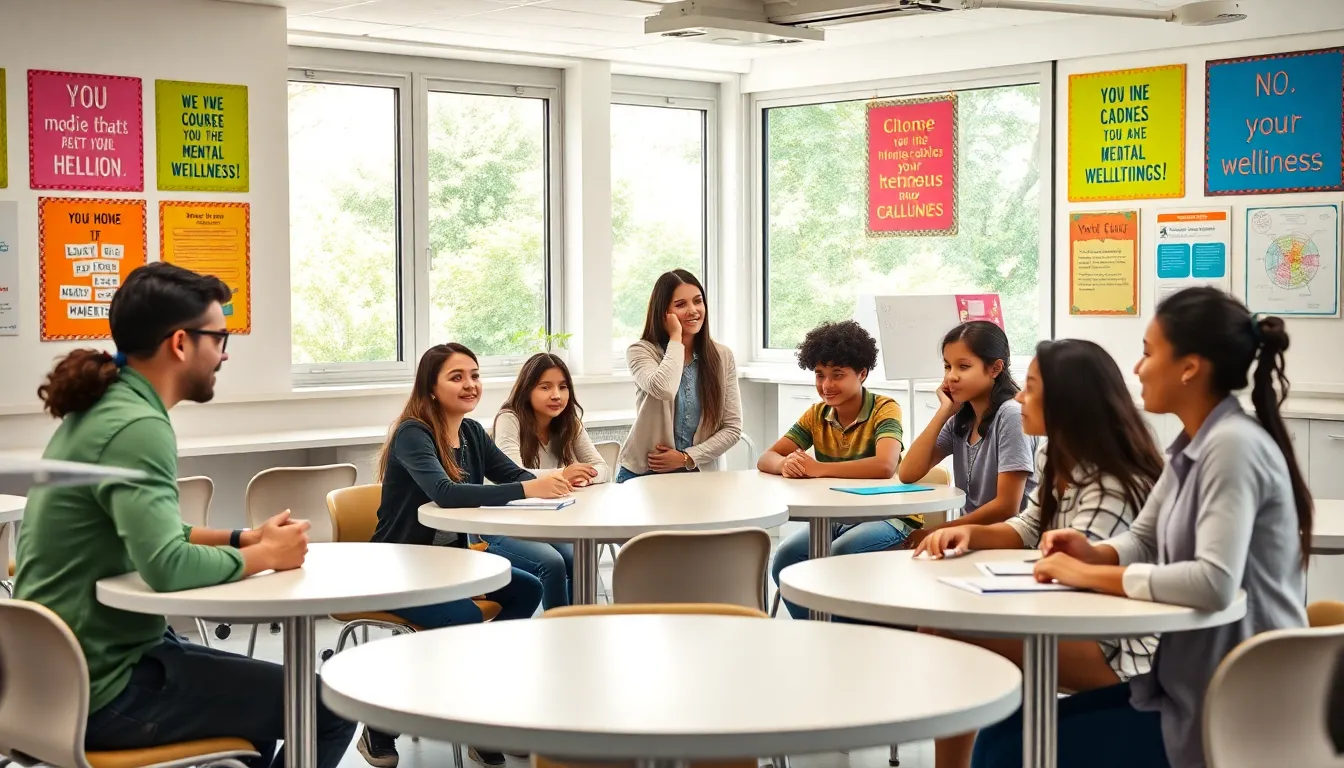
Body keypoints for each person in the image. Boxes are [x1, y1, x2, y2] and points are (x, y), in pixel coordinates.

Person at [14, 263, 355, 768]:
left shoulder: (105, 408)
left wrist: (243, 538)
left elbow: (155, 530)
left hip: (47, 685)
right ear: (180, 343)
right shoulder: (137, 426)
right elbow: (165, 565)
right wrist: (265, 556)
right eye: (219, 337)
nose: (224, 352)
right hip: (104, 691)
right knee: (329, 705)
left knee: (260, 722)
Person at [972, 287, 1313, 768]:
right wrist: (1097, 554)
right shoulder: (1195, 444)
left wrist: (1088, 575)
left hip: (1232, 708)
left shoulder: (1233, 447)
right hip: (1185, 688)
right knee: (1003, 736)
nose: (1137, 368)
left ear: (1190, 368)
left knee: (1007, 749)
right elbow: (1144, 539)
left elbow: (1214, 583)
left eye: (1149, 353)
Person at [914, 339, 1164, 768]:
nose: (1019, 398)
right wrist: (970, 535)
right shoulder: (1055, 451)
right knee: (943, 629)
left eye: (1029, 387)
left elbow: (1077, 585)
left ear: (1067, 401)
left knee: (948, 632)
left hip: (1120, 650)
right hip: (1077, 627)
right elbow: (1030, 527)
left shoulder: (1110, 485)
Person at [363, 342, 565, 768]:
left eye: (474, 375)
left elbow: (514, 475)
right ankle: (380, 724)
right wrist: (529, 489)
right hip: (398, 570)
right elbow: (445, 493)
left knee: (524, 592)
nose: (470, 385)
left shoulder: (471, 432)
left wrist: (561, 479)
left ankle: (481, 711)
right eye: (457, 377)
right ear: (431, 388)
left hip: (452, 566)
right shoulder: (413, 432)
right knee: (468, 623)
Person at [761, 320, 918, 619]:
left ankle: (847, 636)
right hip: (837, 517)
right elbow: (766, 457)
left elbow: (885, 465)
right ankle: (821, 631)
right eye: (820, 375)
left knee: (839, 557)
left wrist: (818, 468)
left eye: (837, 375)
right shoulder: (817, 414)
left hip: (889, 515)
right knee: (784, 559)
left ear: (862, 373)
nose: (826, 385)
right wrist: (786, 464)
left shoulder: (885, 408)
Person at [898, 321, 1038, 549]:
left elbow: (1006, 507)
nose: (951, 376)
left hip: (1011, 546)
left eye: (963, 367)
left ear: (995, 368)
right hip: (970, 542)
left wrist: (937, 532)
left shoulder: (1011, 415)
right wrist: (943, 412)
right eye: (947, 366)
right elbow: (908, 473)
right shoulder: (961, 418)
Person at [488, 352, 611, 609]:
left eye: (563, 387)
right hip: (501, 522)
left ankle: (580, 627)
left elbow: (602, 467)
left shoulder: (569, 423)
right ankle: (558, 634)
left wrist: (583, 479)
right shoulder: (509, 419)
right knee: (552, 564)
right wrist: (563, 474)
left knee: (580, 559)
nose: (557, 395)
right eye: (545, 387)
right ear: (527, 389)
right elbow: (511, 474)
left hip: (548, 520)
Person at [618, 270, 742, 482]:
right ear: (664, 313)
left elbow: (732, 428)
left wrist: (686, 457)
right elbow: (664, 388)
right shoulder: (641, 352)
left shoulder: (722, 356)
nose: (693, 310)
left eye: (698, 301)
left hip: (698, 474)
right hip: (644, 474)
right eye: (681, 304)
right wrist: (676, 337)